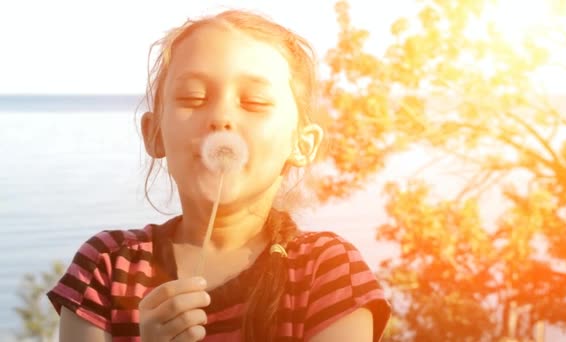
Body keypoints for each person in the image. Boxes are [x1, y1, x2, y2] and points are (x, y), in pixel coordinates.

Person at [47, 9, 391, 342]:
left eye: (254, 102)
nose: (221, 116)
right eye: (192, 97)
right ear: (154, 134)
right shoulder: (106, 268)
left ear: (301, 143)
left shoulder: (327, 272)